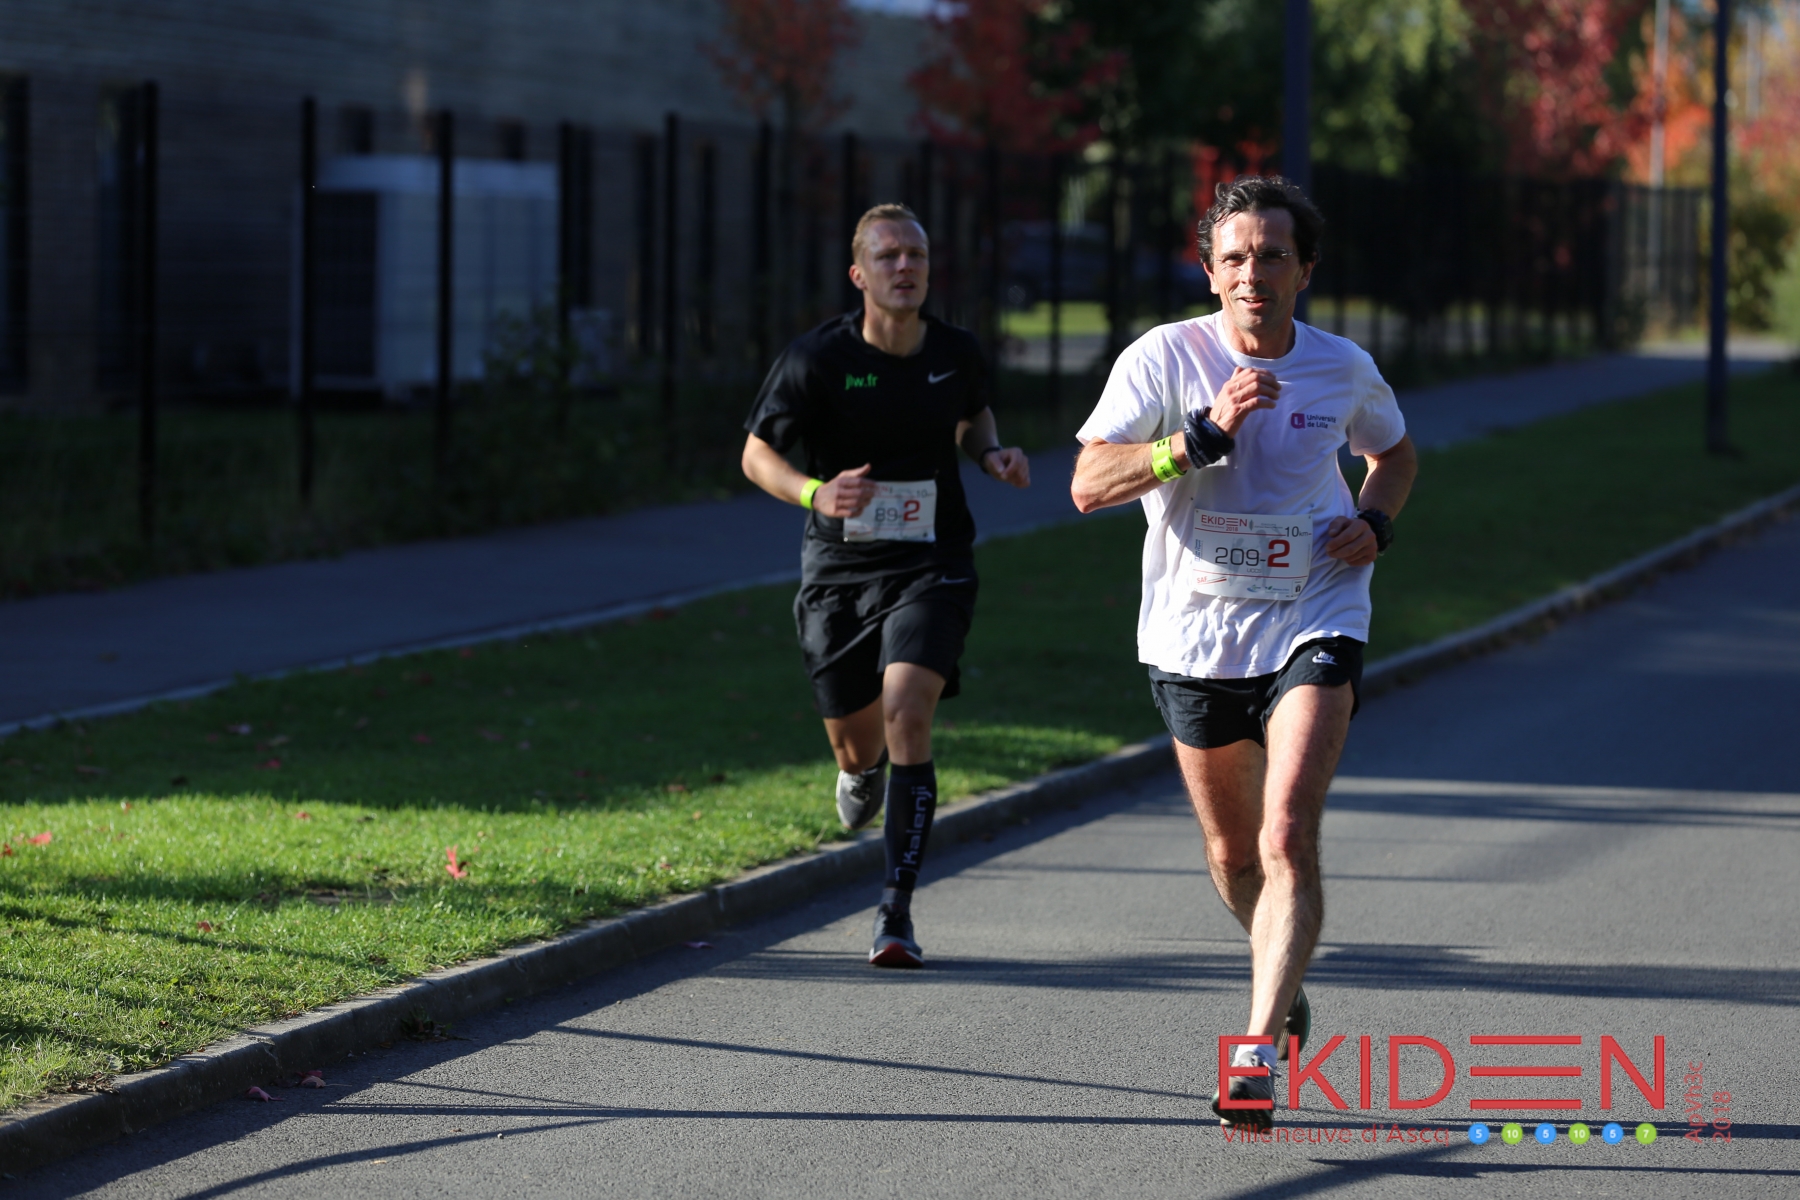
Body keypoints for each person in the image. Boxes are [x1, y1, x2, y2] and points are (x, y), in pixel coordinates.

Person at [1069, 176, 1418, 1127]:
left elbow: (1393, 455)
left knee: (1285, 833)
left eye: (1272, 256)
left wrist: (1375, 524)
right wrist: (1196, 439)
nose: (1252, 274)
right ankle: (1284, 974)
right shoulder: (1163, 357)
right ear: (1210, 272)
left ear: (1305, 269)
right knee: (1232, 854)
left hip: (1316, 609)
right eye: (1235, 258)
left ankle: (1256, 1051)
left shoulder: (1342, 366)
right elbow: (1088, 483)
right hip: (1194, 631)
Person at [741, 202, 1031, 968]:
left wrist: (992, 454)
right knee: (857, 742)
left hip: (933, 561)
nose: (906, 267)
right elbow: (756, 455)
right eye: (889, 256)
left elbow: (972, 415)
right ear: (859, 274)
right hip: (839, 572)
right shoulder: (817, 359)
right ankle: (859, 772)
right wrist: (816, 493)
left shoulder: (956, 351)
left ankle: (894, 912)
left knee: (907, 708)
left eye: (917, 256)